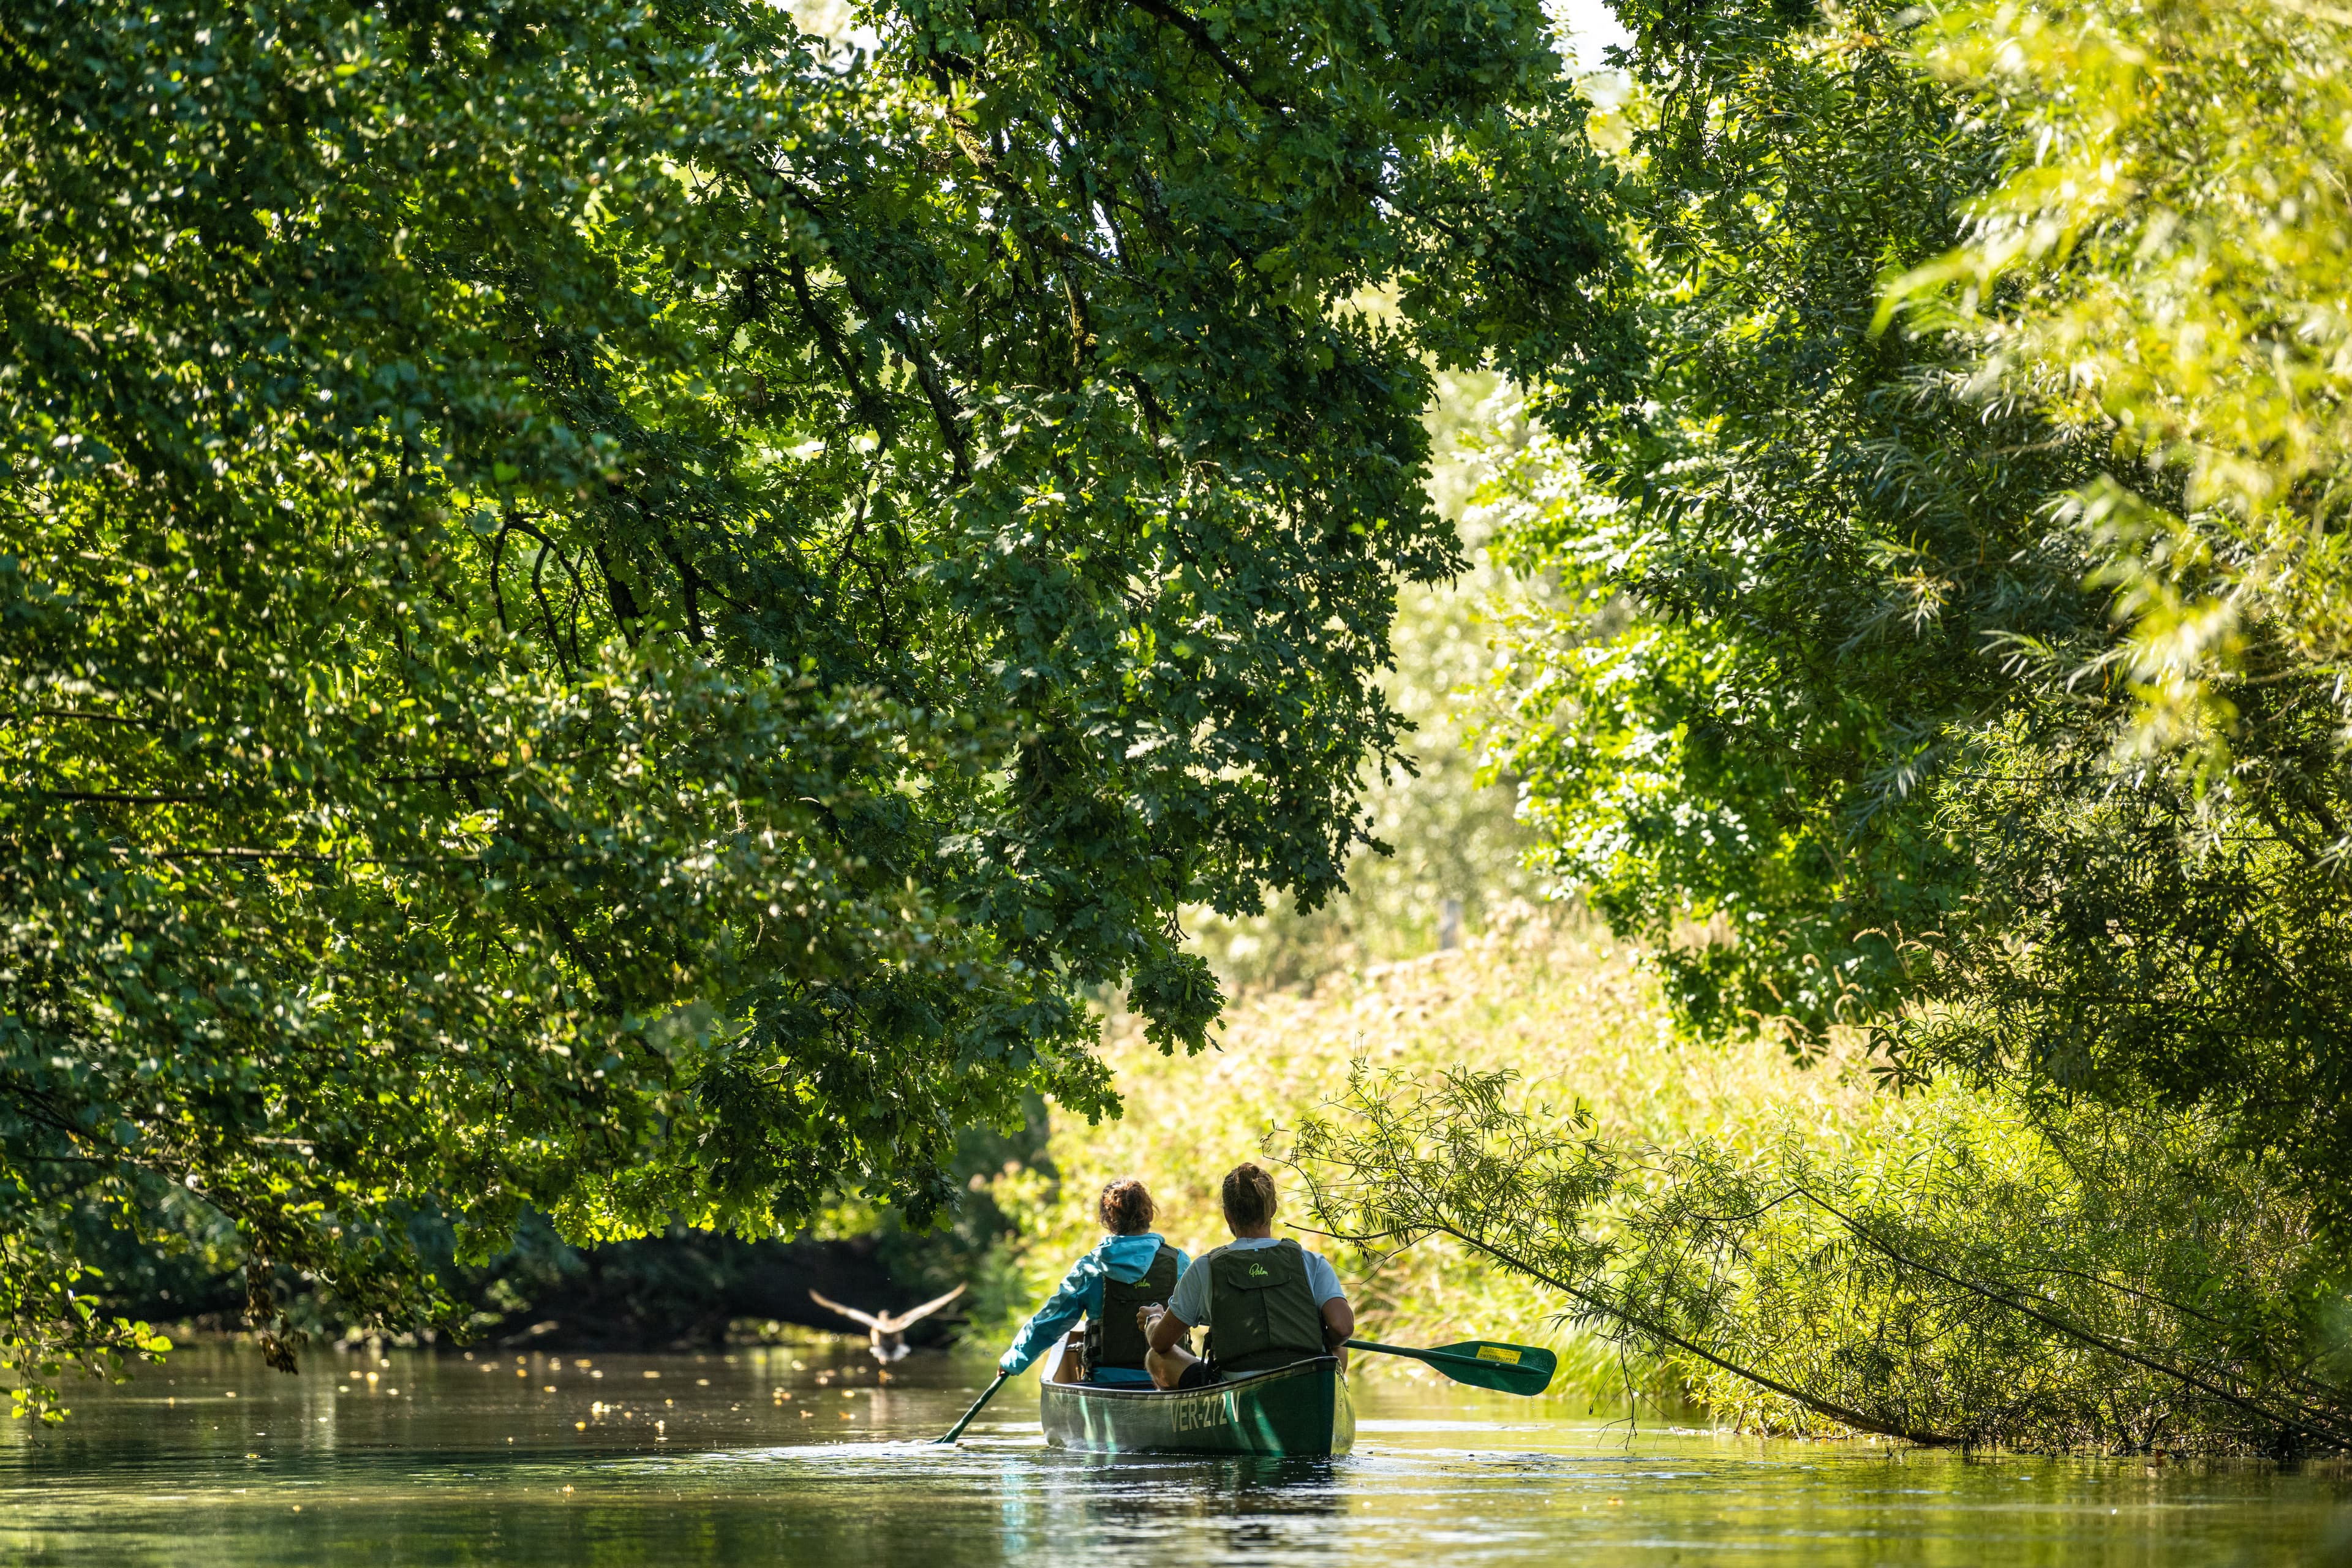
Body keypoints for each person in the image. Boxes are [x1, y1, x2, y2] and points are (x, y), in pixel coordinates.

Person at [1139, 1161, 1352, 1390]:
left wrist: (1154, 1319)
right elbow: (1342, 1328)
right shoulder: (1311, 1261)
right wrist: (1318, 1339)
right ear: (1273, 1209)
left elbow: (1160, 1343)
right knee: (1339, 1349)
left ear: (1228, 1215)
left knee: (1155, 1357)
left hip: (1236, 1387)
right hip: (1306, 1382)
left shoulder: (1204, 1268)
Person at [996, 1177, 1191, 1387]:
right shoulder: (1178, 1262)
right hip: (1172, 1378)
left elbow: (1051, 1321)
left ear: (1107, 1219)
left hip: (1107, 1383)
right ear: (1150, 1214)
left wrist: (1012, 1361)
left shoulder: (1090, 1268)